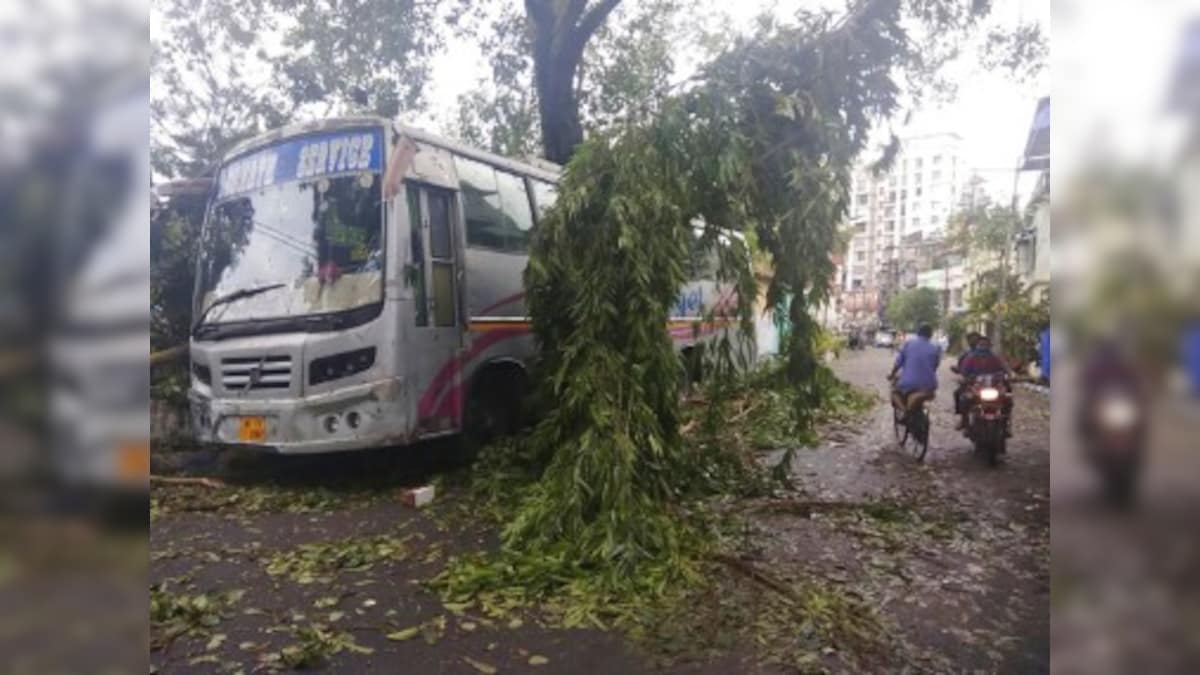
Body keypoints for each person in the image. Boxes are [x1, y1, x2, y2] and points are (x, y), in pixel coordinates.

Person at [888, 324, 942, 420]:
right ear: (930, 335)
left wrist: (892, 374)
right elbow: (935, 366)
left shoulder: (909, 344)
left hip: (909, 384)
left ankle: (905, 411)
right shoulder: (935, 348)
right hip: (930, 385)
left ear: (918, 333)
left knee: (894, 393)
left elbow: (898, 363)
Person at [956, 335, 1010, 430]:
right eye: (981, 344)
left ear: (989, 346)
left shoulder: (995, 358)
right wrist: (965, 378)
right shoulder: (970, 358)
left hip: (993, 387)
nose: (983, 347)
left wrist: (1008, 376)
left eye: (985, 344)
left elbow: (1005, 369)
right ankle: (965, 421)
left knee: (1007, 399)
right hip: (976, 387)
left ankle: (1005, 423)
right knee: (964, 399)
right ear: (977, 345)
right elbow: (964, 372)